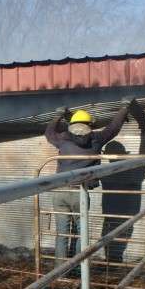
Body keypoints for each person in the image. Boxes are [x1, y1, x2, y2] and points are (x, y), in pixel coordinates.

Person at [45, 99, 134, 261]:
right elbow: (113, 128)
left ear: (71, 124)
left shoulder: (62, 138)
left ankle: (60, 271)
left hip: (60, 191)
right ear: (89, 125)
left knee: (62, 233)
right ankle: (78, 269)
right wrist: (124, 108)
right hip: (80, 192)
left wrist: (58, 116)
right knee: (81, 232)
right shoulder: (96, 139)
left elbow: (49, 133)